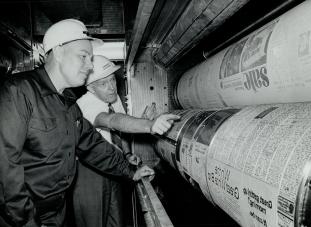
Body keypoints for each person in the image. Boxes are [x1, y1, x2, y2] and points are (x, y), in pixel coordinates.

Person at [0, 19, 154, 227]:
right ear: (60, 52)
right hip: (21, 218)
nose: (90, 66)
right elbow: (4, 170)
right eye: (84, 56)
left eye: (90, 58)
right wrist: (28, 221)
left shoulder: (68, 102)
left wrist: (129, 170)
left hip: (55, 214)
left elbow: (92, 144)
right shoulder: (18, 92)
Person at [73, 55, 180, 227]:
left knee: (116, 221)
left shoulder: (112, 99)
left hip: (112, 166)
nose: (111, 88)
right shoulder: (86, 105)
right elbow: (112, 120)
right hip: (90, 174)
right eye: (103, 84)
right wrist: (150, 125)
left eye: (112, 80)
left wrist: (127, 153)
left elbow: (121, 128)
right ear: (91, 89)